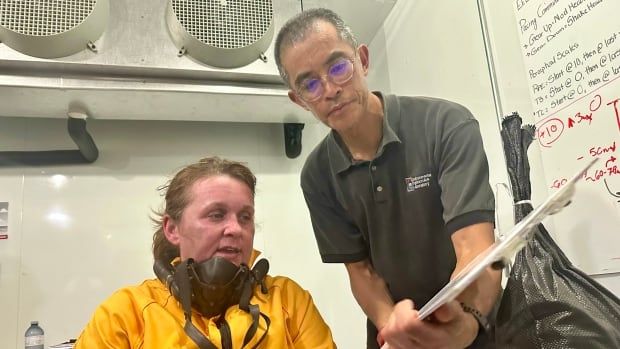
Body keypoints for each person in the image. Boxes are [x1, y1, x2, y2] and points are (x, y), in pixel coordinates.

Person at [274, 8, 502, 349]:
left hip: (475, 321)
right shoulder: (317, 175)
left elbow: (475, 245)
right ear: (299, 100)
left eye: (338, 67)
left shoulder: (444, 124)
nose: (330, 89)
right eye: (309, 84)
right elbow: (360, 271)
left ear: (363, 60)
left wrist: (463, 322)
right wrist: (395, 327)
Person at [74, 157, 336, 349]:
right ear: (172, 228)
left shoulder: (289, 302)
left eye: (245, 217)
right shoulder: (125, 313)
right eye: (216, 215)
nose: (236, 228)